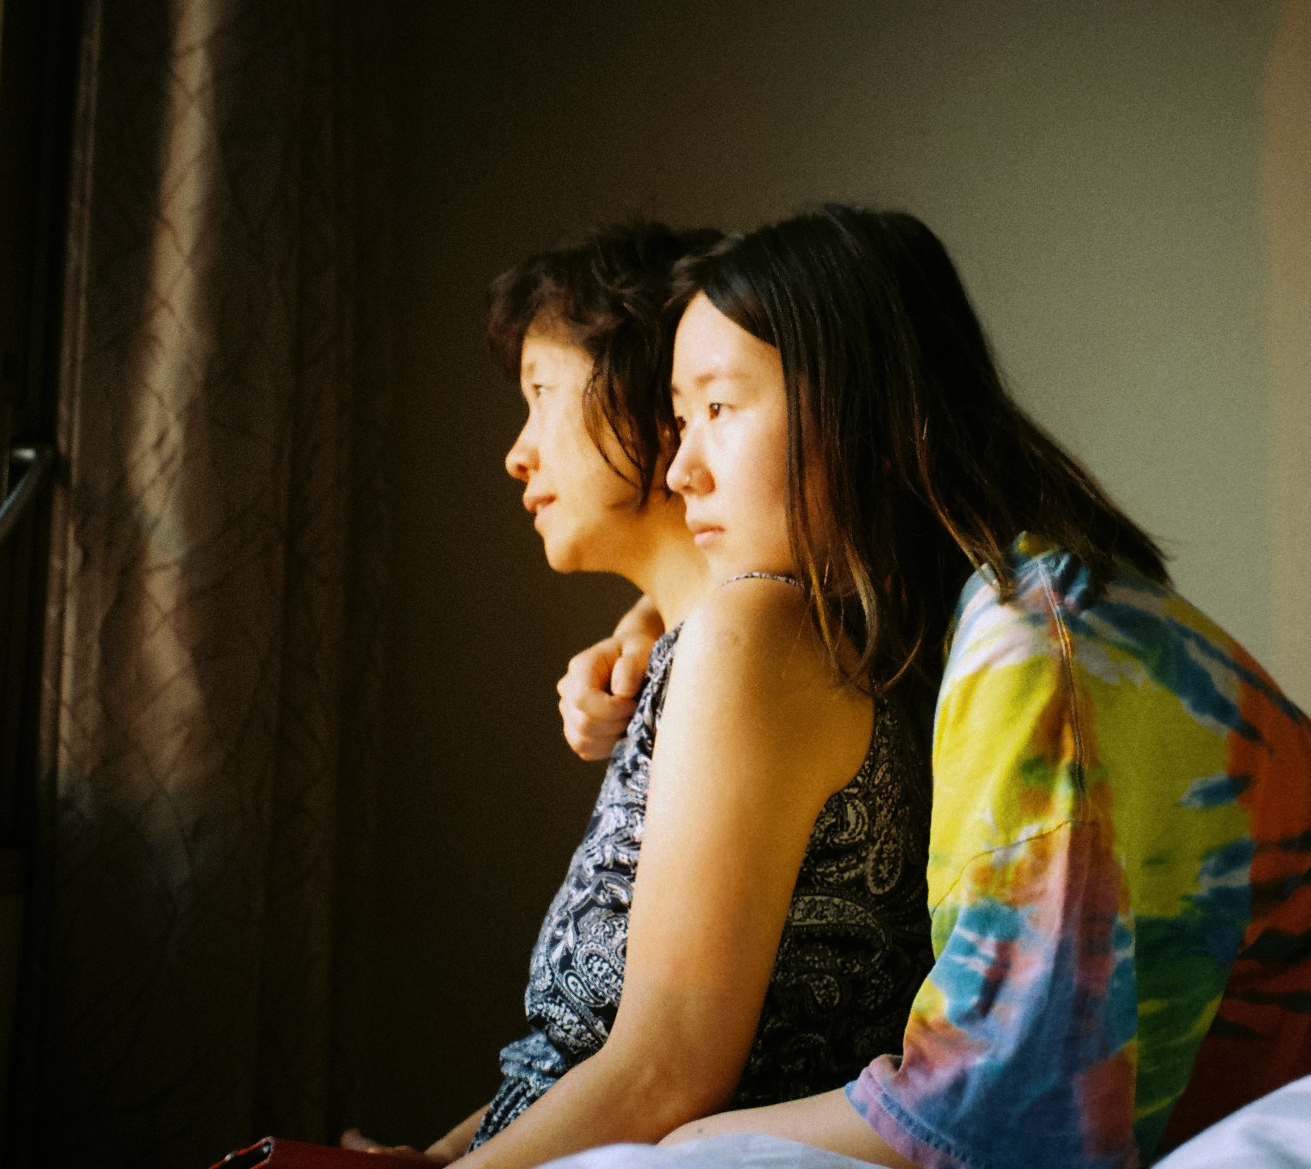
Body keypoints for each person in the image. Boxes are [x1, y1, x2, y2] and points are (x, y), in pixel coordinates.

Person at [557, 205, 1311, 1169]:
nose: (683, 466)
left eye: (720, 409)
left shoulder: (1041, 656)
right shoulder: (982, 619)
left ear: (857, 404)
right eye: (680, 420)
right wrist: (644, 630)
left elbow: (990, 1115)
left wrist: (689, 1138)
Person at [344, 221, 933, 1166]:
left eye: (541, 395)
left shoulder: (754, 638)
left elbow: (661, 1070)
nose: (516, 453)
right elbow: (566, 1060)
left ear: (643, 401)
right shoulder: (704, 646)